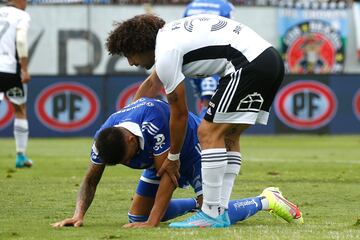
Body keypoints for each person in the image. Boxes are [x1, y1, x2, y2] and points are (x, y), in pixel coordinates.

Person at [106, 13, 286, 228]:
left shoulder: (166, 52)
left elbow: (180, 113)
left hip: (248, 65)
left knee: (208, 132)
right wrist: (129, 116)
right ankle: (220, 209)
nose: (131, 62)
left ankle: (211, 214)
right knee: (229, 135)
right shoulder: (169, 38)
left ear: (139, 45)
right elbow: (152, 84)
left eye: (129, 54)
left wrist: (173, 157)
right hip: (269, 61)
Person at [51, 98, 303, 228]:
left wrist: (153, 223)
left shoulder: (155, 122)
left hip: (191, 150)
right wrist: (78, 214)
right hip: (160, 161)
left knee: (217, 216)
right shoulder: (103, 140)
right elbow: (90, 178)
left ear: (130, 138)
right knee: (135, 217)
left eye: (129, 157)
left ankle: (266, 199)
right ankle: (197, 206)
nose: (130, 162)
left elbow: (169, 175)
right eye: (124, 163)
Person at [183, 0, 234, 118]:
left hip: (192, 58)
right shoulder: (225, 6)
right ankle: (204, 132)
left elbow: (183, 30)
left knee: (205, 99)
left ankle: (201, 130)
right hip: (215, 58)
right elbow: (233, 32)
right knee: (211, 103)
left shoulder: (191, 6)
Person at [0, 0, 32, 168]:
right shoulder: (21, 15)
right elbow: (20, 41)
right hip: (9, 71)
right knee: (19, 109)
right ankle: (21, 156)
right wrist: (25, 69)